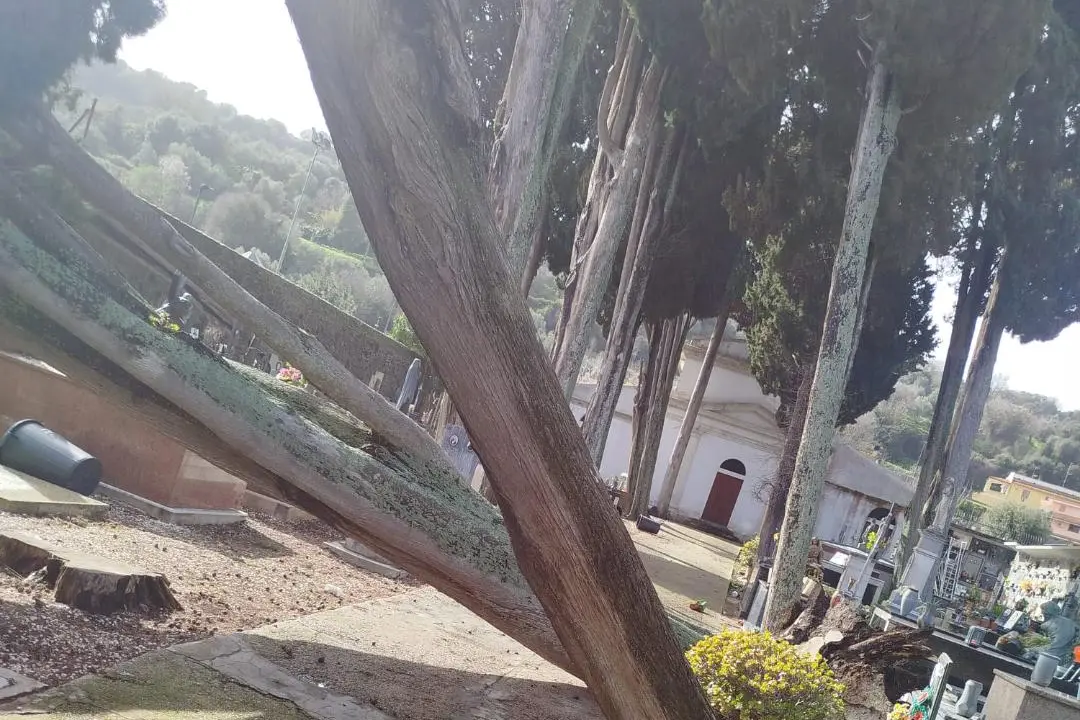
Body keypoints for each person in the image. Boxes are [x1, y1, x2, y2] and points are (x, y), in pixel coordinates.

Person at [1036, 600, 1079, 667]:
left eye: (1044, 613)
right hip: (1064, 655)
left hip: (1050, 656)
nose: (1043, 615)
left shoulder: (1047, 624)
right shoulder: (1069, 621)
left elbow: (1044, 642)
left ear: (1047, 613)